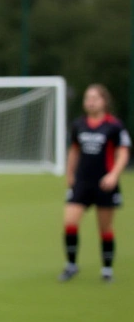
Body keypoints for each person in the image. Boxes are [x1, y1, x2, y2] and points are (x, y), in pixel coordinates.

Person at [60, 83, 130, 283]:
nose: (90, 102)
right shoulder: (78, 125)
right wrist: (70, 174)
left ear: (104, 101)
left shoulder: (114, 126)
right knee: (70, 222)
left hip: (104, 184)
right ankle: (71, 265)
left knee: (105, 228)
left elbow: (123, 153)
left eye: (94, 98)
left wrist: (114, 175)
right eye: (87, 98)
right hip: (82, 182)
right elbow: (74, 151)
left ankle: (107, 269)